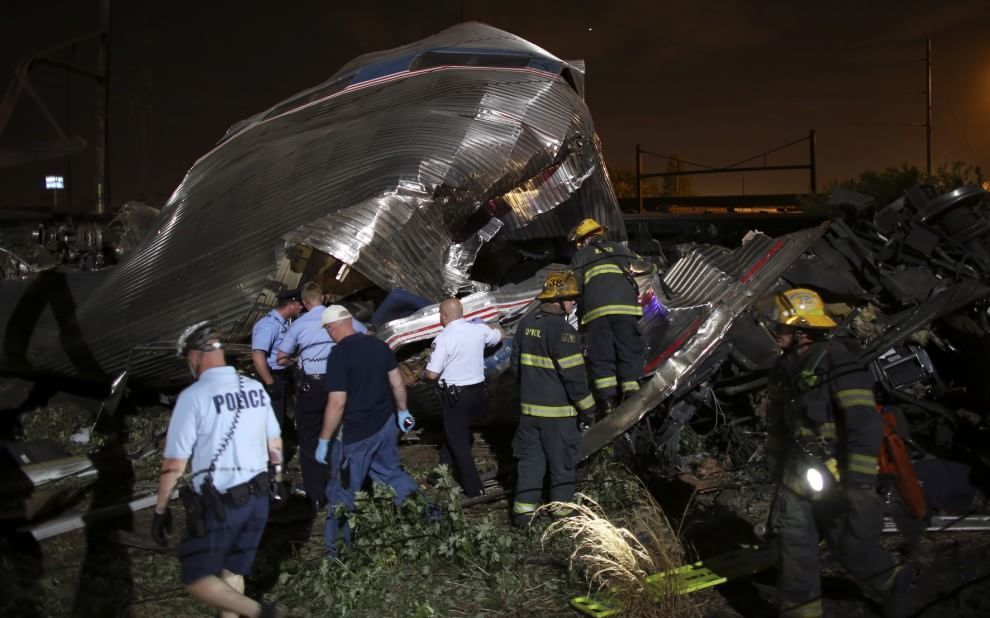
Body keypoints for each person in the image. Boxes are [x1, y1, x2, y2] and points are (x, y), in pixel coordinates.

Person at [765, 288, 910, 618]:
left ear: (802, 331)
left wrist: (858, 483)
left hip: (839, 475)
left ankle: (893, 580)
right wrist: (775, 462)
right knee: (795, 548)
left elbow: (865, 425)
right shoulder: (783, 368)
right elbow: (777, 420)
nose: (776, 331)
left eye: (782, 326)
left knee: (850, 546)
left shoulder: (838, 361)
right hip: (797, 474)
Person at [151, 321, 285, 618]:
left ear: (196, 356)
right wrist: (276, 479)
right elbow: (274, 441)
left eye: (188, 359)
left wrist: (161, 509)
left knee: (195, 576)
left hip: (223, 503)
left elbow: (174, 463)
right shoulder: (255, 389)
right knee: (233, 571)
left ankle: (263, 613)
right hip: (259, 497)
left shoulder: (193, 397)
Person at [316, 305, 421, 557]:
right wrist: (403, 411)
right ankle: (431, 519)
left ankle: (337, 555)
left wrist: (324, 439)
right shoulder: (379, 345)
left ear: (331, 328)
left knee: (341, 492)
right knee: (392, 475)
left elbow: (337, 402)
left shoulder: (338, 355)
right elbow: (397, 382)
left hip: (355, 434)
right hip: (384, 424)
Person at [510, 272, 596, 528]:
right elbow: (575, 379)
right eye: (571, 300)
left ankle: (522, 517)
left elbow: (516, 367)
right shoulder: (564, 332)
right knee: (562, 466)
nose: (573, 305)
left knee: (530, 464)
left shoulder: (526, 325)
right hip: (558, 418)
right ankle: (561, 521)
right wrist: (589, 410)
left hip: (529, 414)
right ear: (558, 301)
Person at [276, 282, 366, 508]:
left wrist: (299, 360)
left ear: (305, 303)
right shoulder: (339, 317)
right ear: (324, 298)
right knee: (340, 435)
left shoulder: (298, 325)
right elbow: (365, 333)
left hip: (312, 387)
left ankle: (316, 495)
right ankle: (346, 488)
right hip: (341, 383)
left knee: (309, 439)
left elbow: (280, 357)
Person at [567, 217, 653, 411]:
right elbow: (648, 267)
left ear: (585, 239)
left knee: (601, 356)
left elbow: (574, 286)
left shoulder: (581, 256)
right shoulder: (621, 250)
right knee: (629, 351)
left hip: (595, 315)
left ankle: (607, 404)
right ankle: (631, 397)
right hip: (626, 311)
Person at [422, 298, 503, 497]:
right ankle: (441, 472)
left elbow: (432, 374)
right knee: (456, 433)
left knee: (459, 441)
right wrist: (489, 326)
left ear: (445, 315)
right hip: (478, 394)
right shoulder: (478, 330)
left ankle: (474, 488)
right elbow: (499, 335)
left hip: (456, 396)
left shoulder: (443, 338)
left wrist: (422, 374)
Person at [251, 287, 302, 429]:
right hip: (271, 377)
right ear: (291, 304)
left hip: (280, 377)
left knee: (278, 421)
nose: (301, 306)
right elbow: (257, 355)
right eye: (299, 303)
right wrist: (270, 384)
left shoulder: (283, 322)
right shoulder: (269, 325)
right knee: (273, 425)